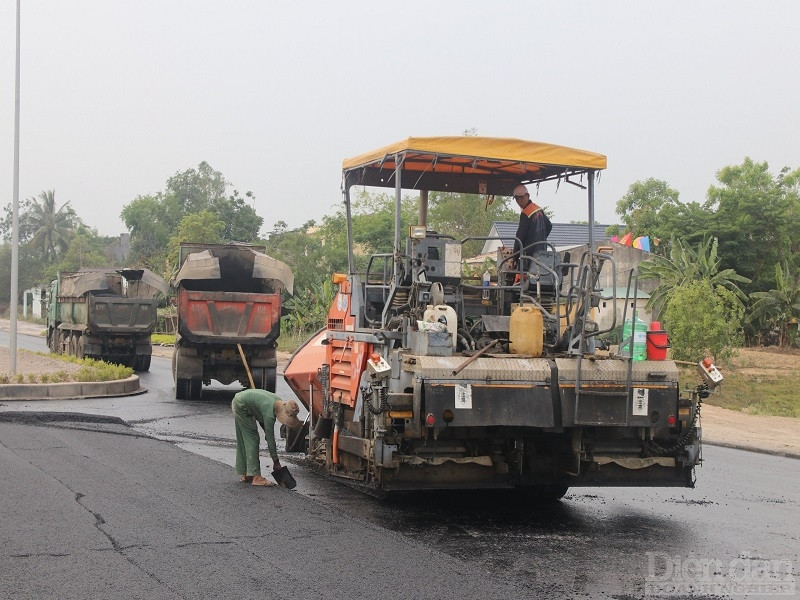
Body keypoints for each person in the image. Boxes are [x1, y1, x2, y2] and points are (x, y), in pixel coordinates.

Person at [231, 388, 302, 486]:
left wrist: (266, 432)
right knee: (252, 439)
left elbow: (260, 416)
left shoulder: (277, 402)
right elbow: (270, 439)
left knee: (246, 439)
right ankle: (256, 477)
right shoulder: (269, 413)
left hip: (240, 399)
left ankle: (247, 474)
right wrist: (276, 461)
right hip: (241, 405)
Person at [512, 183, 552, 272]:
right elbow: (549, 226)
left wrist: (514, 257)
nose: (519, 201)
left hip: (529, 256)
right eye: (517, 199)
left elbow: (520, 237)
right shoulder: (538, 209)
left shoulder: (526, 213)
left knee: (524, 280)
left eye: (521, 197)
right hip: (542, 253)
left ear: (528, 195)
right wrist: (541, 240)